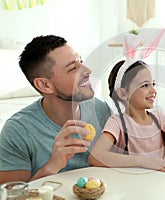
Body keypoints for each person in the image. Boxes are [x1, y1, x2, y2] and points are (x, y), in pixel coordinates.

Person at [0, 35, 112, 183]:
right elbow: (12, 196)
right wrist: (52, 166)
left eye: (82, 62)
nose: (87, 70)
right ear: (45, 85)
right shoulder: (17, 131)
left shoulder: (102, 109)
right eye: (73, 68)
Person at [88, 57, 165, 172]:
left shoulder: (159, 116)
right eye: (145, 85)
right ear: (123, 94)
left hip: (164, 184)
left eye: (153, 84)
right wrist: (144, 161)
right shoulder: (117, 123)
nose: (153, 90)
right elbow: (95, 156)